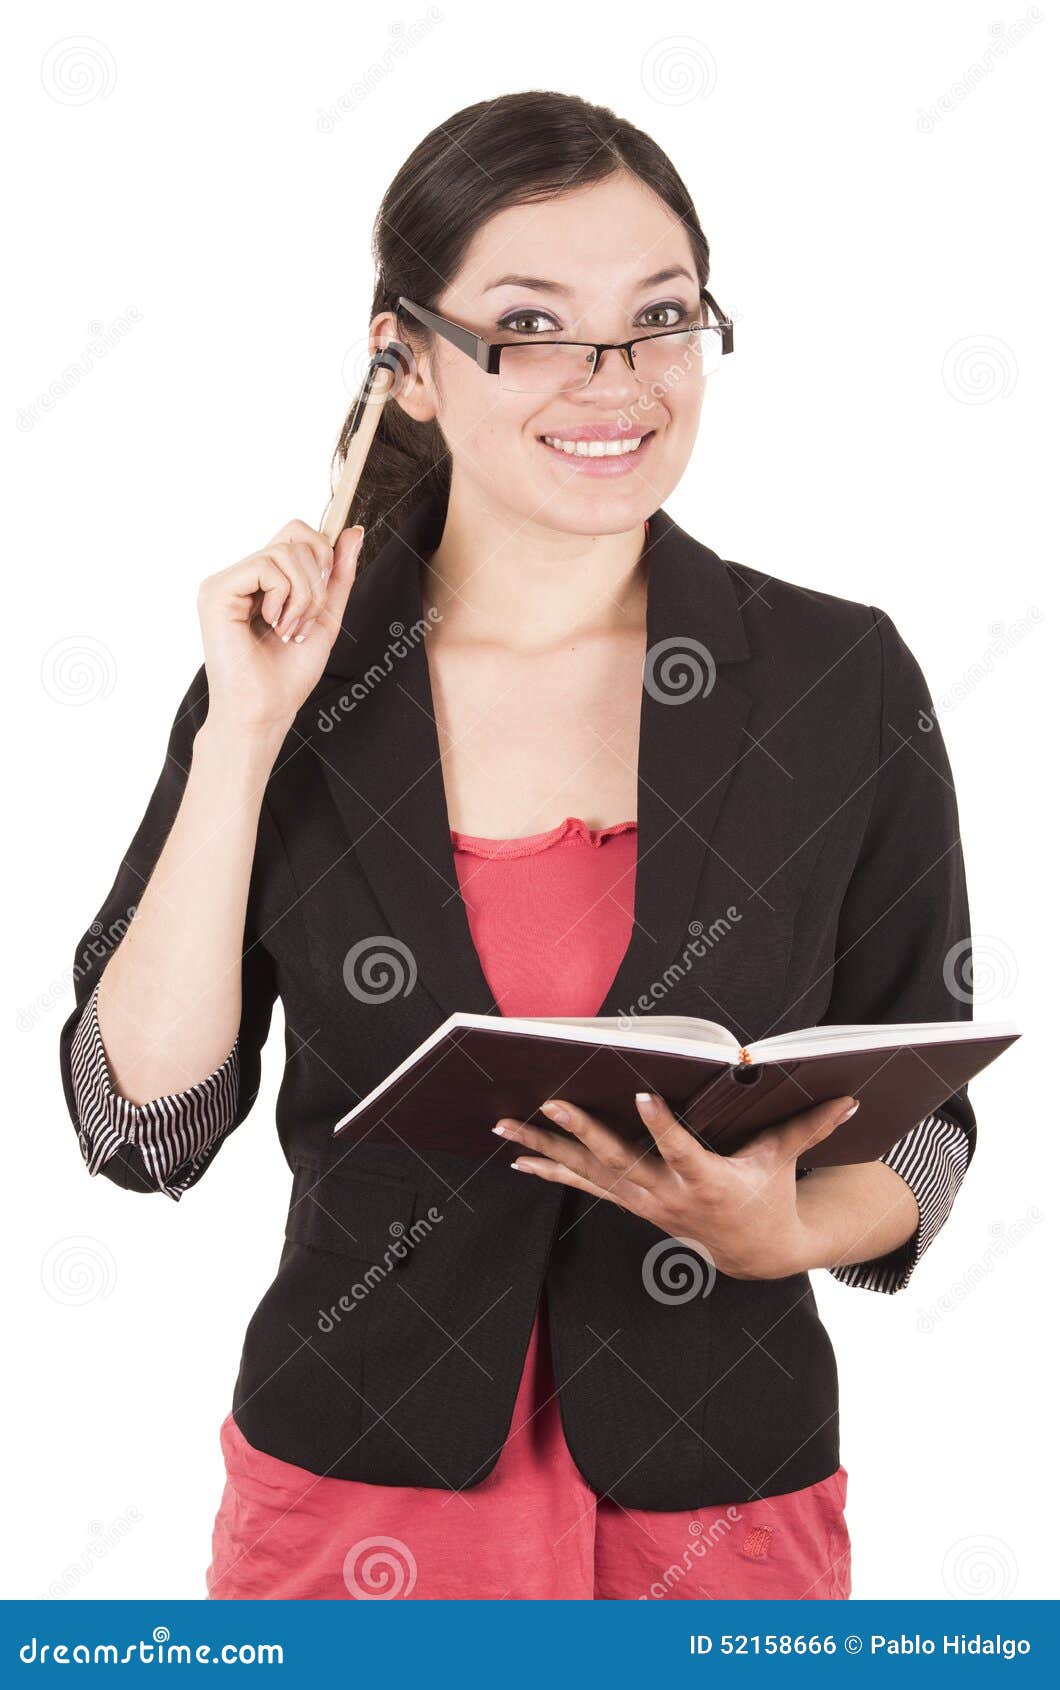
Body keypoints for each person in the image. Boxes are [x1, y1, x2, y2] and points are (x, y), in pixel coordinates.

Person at [59, 91, 976, 1601]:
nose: (610, 380)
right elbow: (141, 1123)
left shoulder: (839, 678)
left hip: (725, 1515)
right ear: (404, 361)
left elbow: (925, 1118)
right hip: (358, 1503)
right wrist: (243, 736)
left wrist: (781, 1227)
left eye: (659, 316)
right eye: (530, 326)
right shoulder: (293, 675)